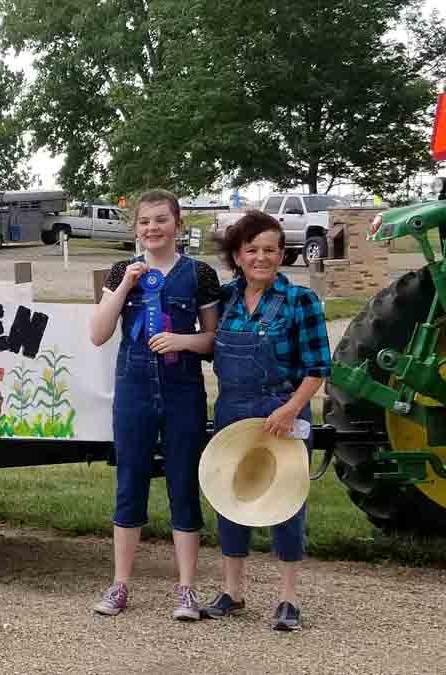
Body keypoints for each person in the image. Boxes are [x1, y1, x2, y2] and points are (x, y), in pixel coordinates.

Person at [88, 189, 222, 620]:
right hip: (134, 389)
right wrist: (125, 284)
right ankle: (119, 584)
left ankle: (186, 590)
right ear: (136, 228)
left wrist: (184, 340)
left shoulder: (199, 274)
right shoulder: (121, 272)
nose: (153, 228)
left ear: (178, 224)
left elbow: (213, 340)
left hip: (182, 390)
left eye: (161, 220)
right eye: (145, 221)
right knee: (130, 482)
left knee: (183, 482)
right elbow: (97, 333)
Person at [204, 210, 330, 631]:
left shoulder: (300, 301)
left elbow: (318, 369)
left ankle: (288, 597)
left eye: (270, 250)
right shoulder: (225, 299)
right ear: (237, 255)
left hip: (283, 413)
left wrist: (291, 408)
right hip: (231, 413)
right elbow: (207, 345)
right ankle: (232, 592)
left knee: (286, 503)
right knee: (231, 499)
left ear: (282, 254)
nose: (261, 257)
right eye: (252, 249)